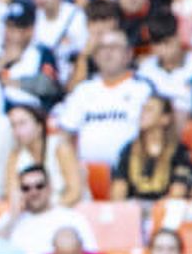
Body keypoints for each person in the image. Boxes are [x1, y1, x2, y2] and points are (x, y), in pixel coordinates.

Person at [54, 30, 155, 167]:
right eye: (102, 48)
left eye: (114, 48)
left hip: (132, 172)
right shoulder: (82, 90)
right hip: (87, 174)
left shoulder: (143, 89)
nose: (107, 53)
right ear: (95, 56)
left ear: (128, 54)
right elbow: (65, 135)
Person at [0, 162, 96, 254]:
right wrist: (13, 217)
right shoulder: (7, 220)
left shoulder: (73, 218)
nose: (33, 192)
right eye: (26, 188)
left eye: (39, 186)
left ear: (50, 188)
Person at [109, 95, 192, 201]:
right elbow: (119, 188)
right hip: (133, 209)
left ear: (165, 118)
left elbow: (178, 191)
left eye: (149, 110)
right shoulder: (129, 149)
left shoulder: (179, 151)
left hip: (165, 210)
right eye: (143, 109)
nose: (142, 114)